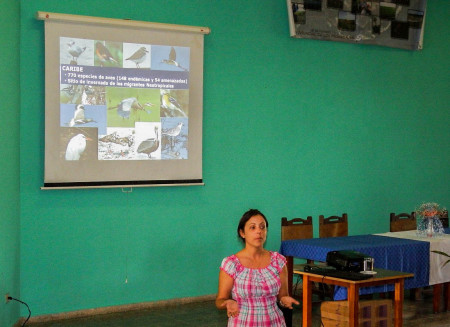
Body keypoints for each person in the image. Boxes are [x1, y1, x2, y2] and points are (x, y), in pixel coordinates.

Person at [216, 209, 299, 326]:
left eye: (262, 227)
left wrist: (284, 300)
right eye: (252, 227)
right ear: (242, 233)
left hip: (274, 322)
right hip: (242, 322)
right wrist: (227, 302)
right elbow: (220, 300)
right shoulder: (231, 264)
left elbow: (283, 295)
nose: (259, 231)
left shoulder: (278, 261)